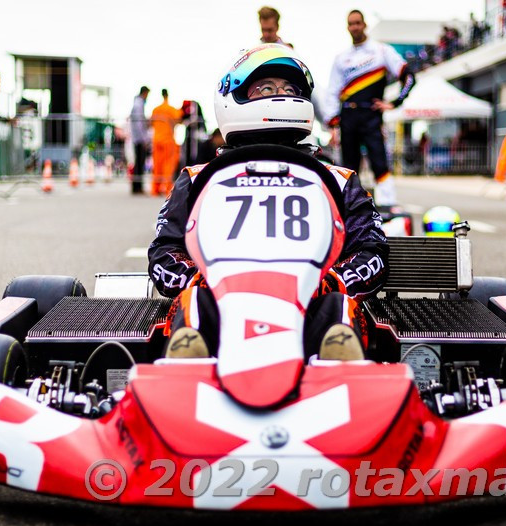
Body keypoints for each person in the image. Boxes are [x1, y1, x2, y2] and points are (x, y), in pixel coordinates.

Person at [148, 43, 388, 361]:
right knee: (193, 300)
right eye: (267, 88)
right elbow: (164, 254)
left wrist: (328, 282)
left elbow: (372, 252)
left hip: (310, 301)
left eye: (291, 88)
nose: (283, 95)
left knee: (339, 306)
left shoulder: (339, 179)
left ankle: (339, 357)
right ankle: (189, 357)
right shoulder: (197, 178)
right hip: (220, 301)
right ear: (233, 96)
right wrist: (205, 279)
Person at [325, 10, 416, 208]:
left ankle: (388, 206)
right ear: (347, 27)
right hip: (348, 116)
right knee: (348, 166)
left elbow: (408, 76)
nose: (355, 27)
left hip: (371, 115)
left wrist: (395, 102)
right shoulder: (341, 58)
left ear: (364, 24)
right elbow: (332, 92)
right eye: (351, 24)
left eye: (358, 23)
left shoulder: (382, 50)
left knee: (379, 161)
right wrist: (332, 125)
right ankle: (349, 206)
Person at [149, 88, 183, 196]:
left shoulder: (156, 109)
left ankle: (155, 189)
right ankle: (167, 188)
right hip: (168, 140)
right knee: (168, 165)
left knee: (157, 165)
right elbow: (179, 120)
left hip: (156, 140)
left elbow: (150, 123)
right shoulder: (171, 109)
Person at [129, 86, 150, 194]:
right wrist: (144, 138)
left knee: (138, 162)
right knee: (139, 163)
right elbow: (139, 123)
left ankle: (136, 186)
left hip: (137, 137)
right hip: (139, 139)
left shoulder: (137, 103)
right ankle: (137, 187)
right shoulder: (139, 104)